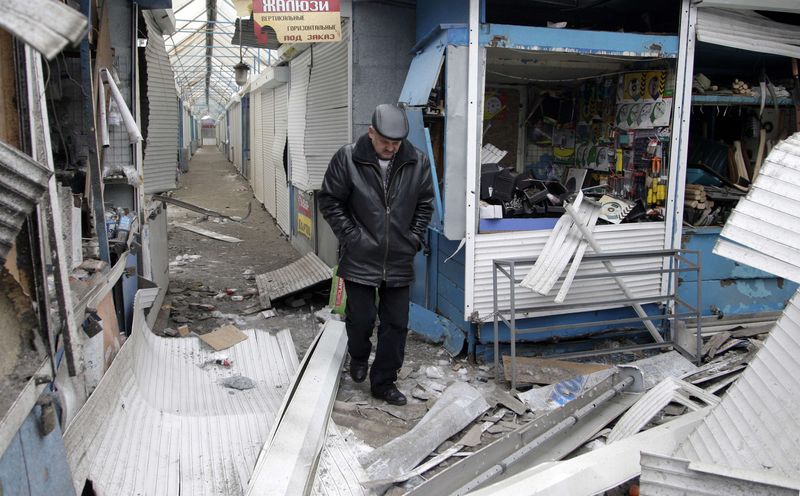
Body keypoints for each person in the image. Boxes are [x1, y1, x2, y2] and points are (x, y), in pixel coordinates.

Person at [318, 104, 434, 406]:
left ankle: (383, 382)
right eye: (385, 142)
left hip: (399, 257)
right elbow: (330, 201)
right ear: (371, 132)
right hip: (359, 256)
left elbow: (425, 205)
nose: (390, 149)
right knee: (361, 319)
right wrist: (352, 236)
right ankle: (358, 355)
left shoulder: (416, 162)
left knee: (396, 324)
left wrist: (413, 238)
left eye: (396, 144)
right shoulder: (347, 158)